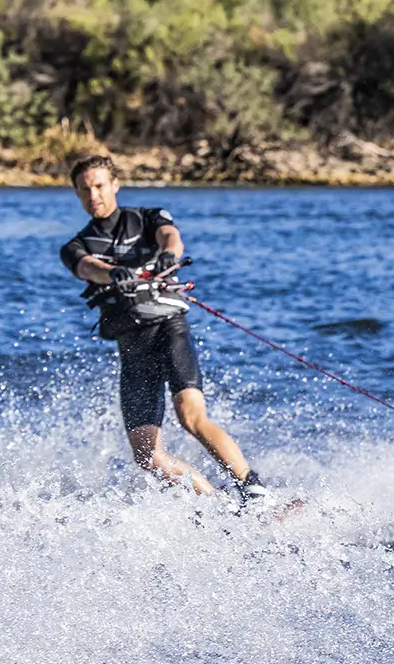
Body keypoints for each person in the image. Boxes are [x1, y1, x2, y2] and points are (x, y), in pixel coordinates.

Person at [59, 154, 266, 503]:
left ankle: (254, 490)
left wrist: (169, 255)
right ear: (77, 193)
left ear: (114, 185)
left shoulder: (148, 218)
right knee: (147, 455)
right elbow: (87, 267)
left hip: (169, 327)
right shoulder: (74, 247)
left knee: (190, 415)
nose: (93, 195)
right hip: (132, 343)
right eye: (84, 189)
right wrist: (112, 274)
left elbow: (171, 236)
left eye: (99, 186)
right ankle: (219, 506)